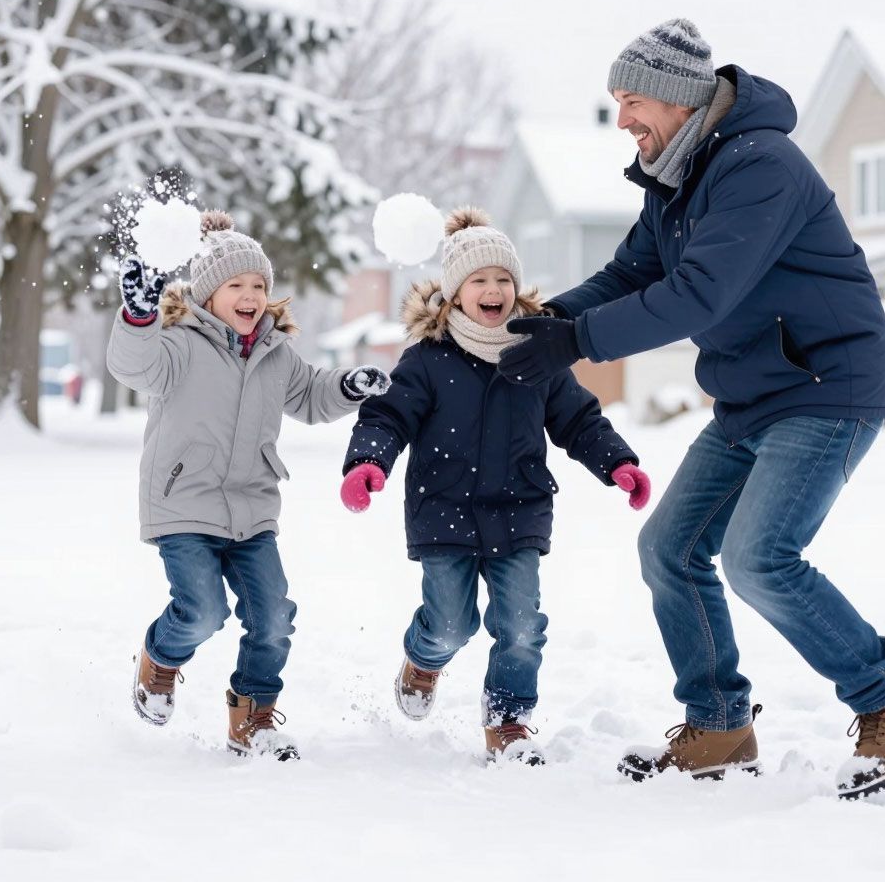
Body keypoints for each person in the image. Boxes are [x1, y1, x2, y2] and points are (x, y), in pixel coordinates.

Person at [497, 18, 885, 798]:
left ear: (677, 100)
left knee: (758, 556)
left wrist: (575, 343)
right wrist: (540, 322)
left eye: (632, 100)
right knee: (669, 548)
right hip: (751, 395)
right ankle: (719, 727)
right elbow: (629, 275)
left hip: (825, 387)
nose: (623, 119)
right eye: (616, 101)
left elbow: (696, 292)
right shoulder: (676, 177)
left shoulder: (757, 165)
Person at [340, 207, 650, 764]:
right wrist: (369, 463)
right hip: (444, 510)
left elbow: (578, 420)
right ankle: (423, 657)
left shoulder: (538, 355)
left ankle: (508, 721)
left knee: (522, 625)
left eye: (503, 279)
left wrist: (617, 464)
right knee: (452, 625)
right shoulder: (428, 360)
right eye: (480, 280)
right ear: (456, 293)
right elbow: (387, 417)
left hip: (519, 510)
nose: (494, 289)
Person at [108, 209, 390, 760]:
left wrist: (350, 386)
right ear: (209, 294)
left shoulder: (275, 353)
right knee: (202, 611)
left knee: (275, 618)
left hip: (251, 510)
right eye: (236, 284)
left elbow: (310, 396)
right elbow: (133, 368)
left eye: (259, 285)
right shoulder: (179, 344)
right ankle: (160, 661)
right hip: (183, 504)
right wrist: (137, 317)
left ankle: (253, 717)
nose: (250, 295)